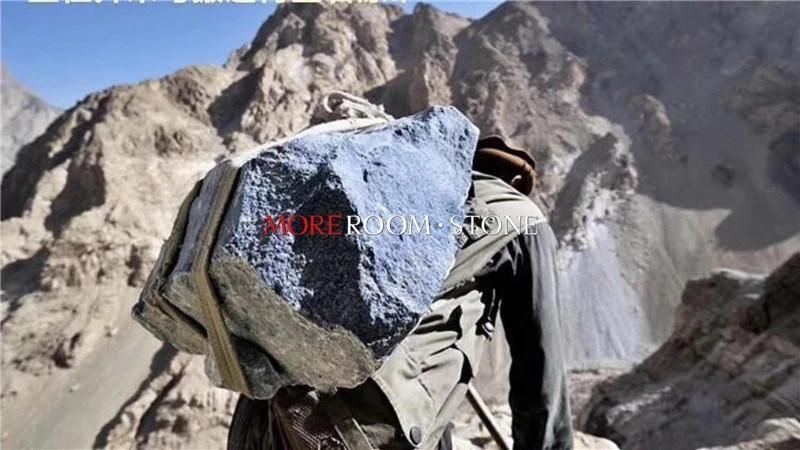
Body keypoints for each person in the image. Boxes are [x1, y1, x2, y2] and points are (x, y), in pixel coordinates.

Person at [227, 135, 574, 450]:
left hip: (263, 416)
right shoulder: (518, 217)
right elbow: (540, 367)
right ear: (516, 183)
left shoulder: (397, 199)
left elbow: (427, 350)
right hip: (353, 427)